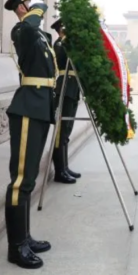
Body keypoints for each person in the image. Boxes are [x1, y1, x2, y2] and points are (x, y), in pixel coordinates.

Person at [3, 0, 55, 269]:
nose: (40, 8)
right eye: (34, 3)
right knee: (20, 180)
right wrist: (35, 12)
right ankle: (16, 246)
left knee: (30, 178)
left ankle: (25, 236)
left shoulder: (39, 36)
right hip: (27, 108)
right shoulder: (22, 30)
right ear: (23, 7)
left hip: (40, 107)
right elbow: (30, 27)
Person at [50, 15, 80, 184]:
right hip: (64, 89)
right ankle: (59, 171)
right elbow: (68, 56)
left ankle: (65, 167)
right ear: (62, 29)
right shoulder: (60, 44)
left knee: (66, 131)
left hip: (72, 89)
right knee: (60, 132)